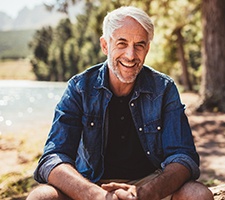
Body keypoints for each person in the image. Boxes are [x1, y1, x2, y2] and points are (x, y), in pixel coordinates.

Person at [27, 6, 214, 200]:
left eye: (139, 45)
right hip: (91, 185)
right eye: (122, 43)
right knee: (41, 197)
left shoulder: (164, 88)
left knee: (197, 194)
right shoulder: (80, 88)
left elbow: (183, 157)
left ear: (147, 48)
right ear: (105, 45)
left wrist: (144, 193)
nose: (131, 55)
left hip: (149, 184)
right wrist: (97, 195)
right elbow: (53, 157)